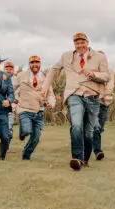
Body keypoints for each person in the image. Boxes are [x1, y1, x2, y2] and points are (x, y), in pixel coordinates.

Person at [42, 33, 110, 171]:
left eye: (82, 42)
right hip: (74, 94)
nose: (80, 46)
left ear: (87, 42)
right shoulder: (66, 56)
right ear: (74, 44)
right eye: (77, 43)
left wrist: (93, 74)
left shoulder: (99, 57)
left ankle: (85, 159)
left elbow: (106, 75)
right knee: (77, 125)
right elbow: (53, 70)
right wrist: (44, 87)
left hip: (92, 96)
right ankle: (76, 158)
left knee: (88, 132)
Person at [15, 56, 55, 160]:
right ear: (29, 64)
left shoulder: (46, 78)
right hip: (24, 109)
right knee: (27, 130)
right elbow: (12, 88)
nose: (34, 64)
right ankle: (23, 132)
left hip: (39, 111)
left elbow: (50, 94)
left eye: (36, 62)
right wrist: (13, 100)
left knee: (36, 138)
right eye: (32, 63)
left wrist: (51, 102)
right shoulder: (21, 76)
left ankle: (26, 155)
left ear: (40, 63)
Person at [93, 51, 115, 160]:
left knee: (99, 128)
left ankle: (90, 141)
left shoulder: (110, 72)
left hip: (105, 103)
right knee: (96, 127)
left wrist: (103, 95)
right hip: (92, 103)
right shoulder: (91, 72)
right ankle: (98, 151)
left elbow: (110, 88)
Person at [4, 61, 20, 151]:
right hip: (1, 107)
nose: (9, 71)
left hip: (11, 107)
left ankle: (6, 146)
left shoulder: (17, 80)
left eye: (10, 69)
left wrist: (16, 98)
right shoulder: (0, 78)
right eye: (7, 69)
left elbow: (21, 89)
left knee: (9, 128)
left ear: (13, 70)